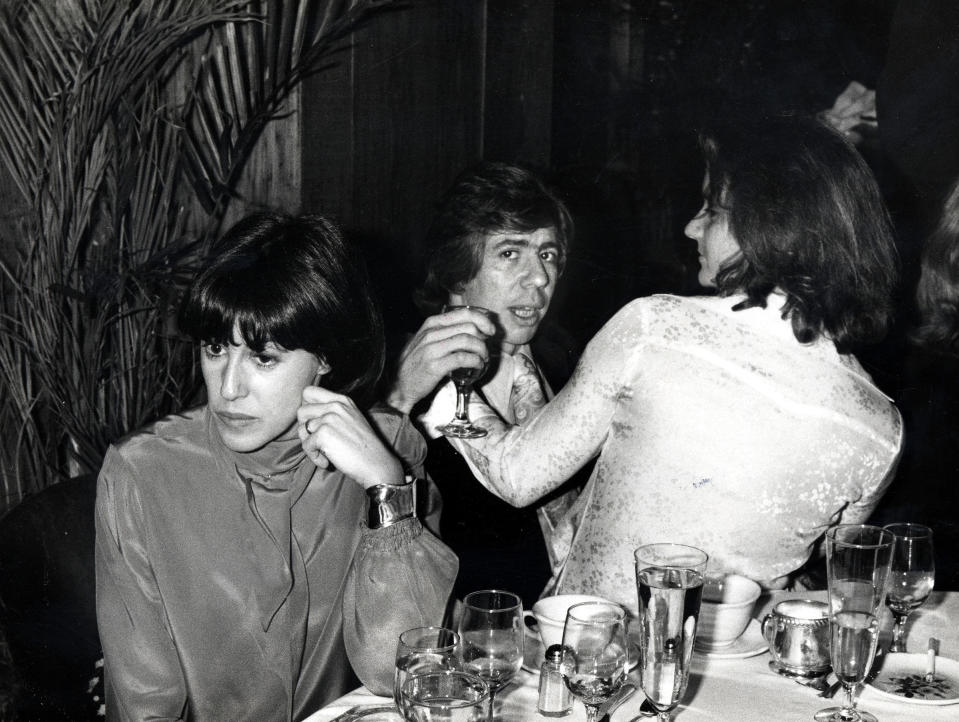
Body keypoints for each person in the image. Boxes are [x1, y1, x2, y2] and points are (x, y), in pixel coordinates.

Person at [454, 117, 903, 611]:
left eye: (711, 210)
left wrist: (447, 388)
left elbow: (518, 478)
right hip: (740, 674)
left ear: (767, 225)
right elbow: (822, 574)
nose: (691, 226)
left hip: (598, 661)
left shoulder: (656, 327)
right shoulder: (881, 427)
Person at [94, 212, 457, 719]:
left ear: (325, 359)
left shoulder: (386, 450)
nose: (228, 388)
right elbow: (143, 704)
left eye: (264, 358)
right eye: (216, 349)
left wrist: (385, 487)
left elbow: (397, 671)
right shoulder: (143, 474)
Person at [385, 162, 582, 607]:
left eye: (547, 254)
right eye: (510, 253)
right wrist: (397, 399)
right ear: (457, 271)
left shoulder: (565, 357)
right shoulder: (400, 383)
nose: (539, 278)